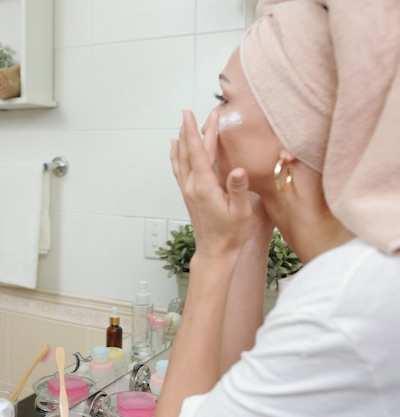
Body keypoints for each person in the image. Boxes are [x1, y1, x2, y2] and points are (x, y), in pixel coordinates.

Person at [155, 0, 400, 416]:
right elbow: (230, 396)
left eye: (224, 98)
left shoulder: (341, 299)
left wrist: (212, 254)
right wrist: (248, 232)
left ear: (292, 136)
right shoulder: (356, 266)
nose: (209, 121)